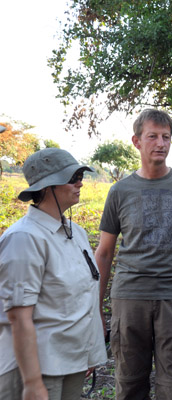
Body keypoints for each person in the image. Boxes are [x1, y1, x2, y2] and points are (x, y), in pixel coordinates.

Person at [94, 109, 172, 400]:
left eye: (166, 137)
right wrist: (96, 308)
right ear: (136, 141)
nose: (161, 143)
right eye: (153, 136)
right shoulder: (119, 191)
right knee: (130, 384)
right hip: (129, 297)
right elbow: (104, 253)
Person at [0, 148, 107, 400]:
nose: (80, 182)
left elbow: (81, 297)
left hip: (71, 362)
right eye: (73, 177)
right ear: (48, 187)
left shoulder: (76, 233)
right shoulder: (24, 238)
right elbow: (18, 317)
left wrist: (88, 353)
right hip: (41, 366)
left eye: (80, 175)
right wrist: (32, 382)